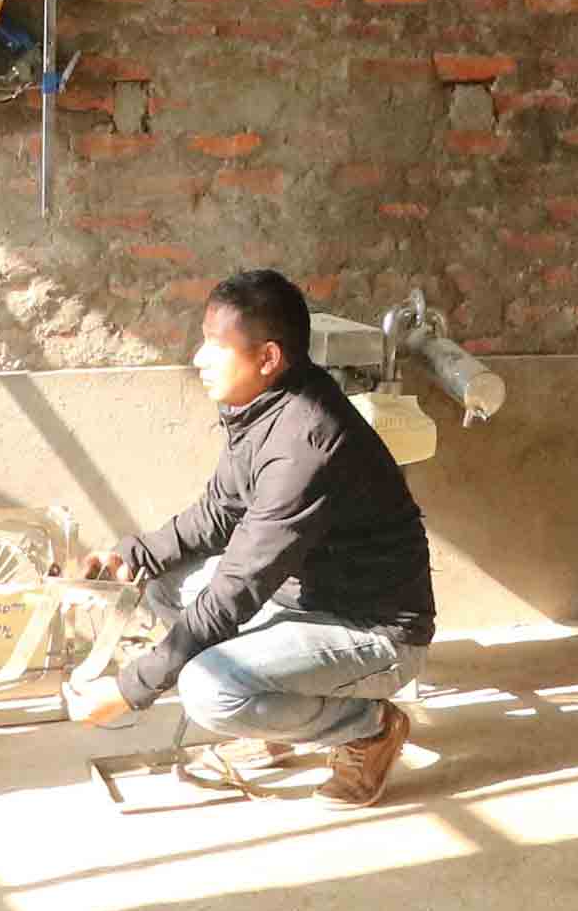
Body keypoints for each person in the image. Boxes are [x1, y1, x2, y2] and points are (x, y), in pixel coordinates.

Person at [61, 270, 437, 807]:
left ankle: (370, 728)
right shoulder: (263, 406)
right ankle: (277, 720)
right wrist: (131, 557)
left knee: (209, 689)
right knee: (163, 583)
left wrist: (130, 689)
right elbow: (219, 511)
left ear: (268, 358)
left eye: (217, 346)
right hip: (306, 599)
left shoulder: (305, 443)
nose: (199, 358)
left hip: (373, 632)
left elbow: (237, 589)